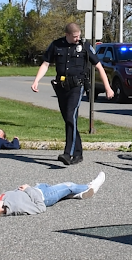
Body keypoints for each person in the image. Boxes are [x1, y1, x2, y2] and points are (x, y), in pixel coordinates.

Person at [31, 23, 114, 165]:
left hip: (77, 86)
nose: (77, 38)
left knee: (70, 116)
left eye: (79, 36)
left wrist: (108, 87)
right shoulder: (56, 45)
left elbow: (99, 66)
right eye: (75, 36)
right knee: (69, 119)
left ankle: (67, 153)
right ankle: (78, 153)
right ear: (67, 35)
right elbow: (46, 64)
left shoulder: (85, 46)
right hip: (61, 86)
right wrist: (36, 81)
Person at [0, 172, 106, 219]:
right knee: (68, 185)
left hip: (39, 189)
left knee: (64, 190)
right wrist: (28, 189)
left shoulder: (3, 201)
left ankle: (77, 194)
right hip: (45, 196)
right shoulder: (16, 207)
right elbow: (40, 207)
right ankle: (90, 187)